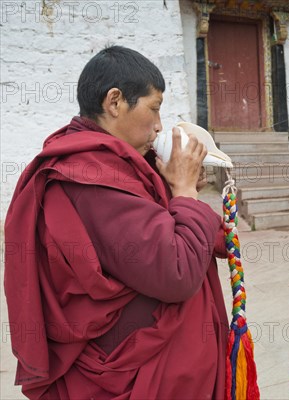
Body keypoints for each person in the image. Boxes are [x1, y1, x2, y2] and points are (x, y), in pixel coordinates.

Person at [4, 46, 229, 399]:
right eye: (154, 108)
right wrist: (184, 191)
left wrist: (177, 193)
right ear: (115, 102)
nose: (158, 125)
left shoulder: (119, 165)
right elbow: (176, 272)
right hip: (132, 368)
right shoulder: (91, 175)